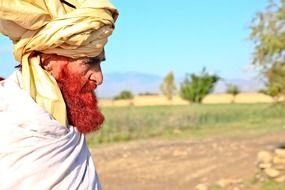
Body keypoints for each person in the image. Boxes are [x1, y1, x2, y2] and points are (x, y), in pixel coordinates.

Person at [0, 0, 118, 189]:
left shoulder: (67, 112)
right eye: (90, 62)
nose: (99, 77)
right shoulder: (9, 123)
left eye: (100, 63)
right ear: (47, 60)